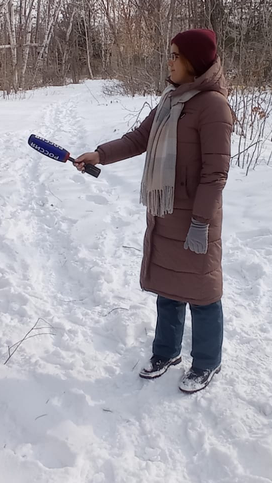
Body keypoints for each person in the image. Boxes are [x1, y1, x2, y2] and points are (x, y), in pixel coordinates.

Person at [75, 29, 233, 393]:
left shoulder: (213, 106)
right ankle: (166, 352)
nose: (170, 61)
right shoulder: (171, 99)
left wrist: (201, 222)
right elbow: (138, 139)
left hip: (195, 215)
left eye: (176, 55)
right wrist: (99, 154)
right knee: (169, 286)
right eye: (170, 54)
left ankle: (208, 361)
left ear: (194, 62)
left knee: (203, 291)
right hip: (166, 211)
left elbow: (215, 173)